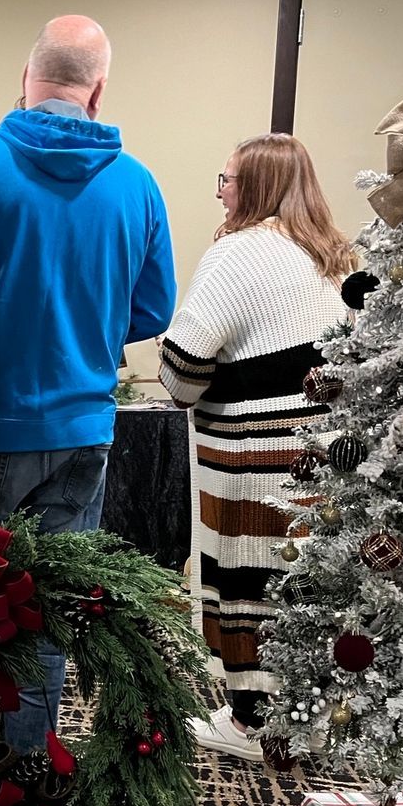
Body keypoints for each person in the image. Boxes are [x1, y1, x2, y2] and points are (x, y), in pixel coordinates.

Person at [0, 15, 175, 751]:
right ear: (96, 91)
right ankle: (26, 763)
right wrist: (84, 325)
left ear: (24, 79)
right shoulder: (137, 185)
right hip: (80, 434)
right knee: (42, 609)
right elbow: (151, 309)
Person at [158, 133, 353, 760]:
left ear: (254, 188)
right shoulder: (336, 257)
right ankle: (309, 717)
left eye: (228, 179)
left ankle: (250, 724)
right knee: (303, 588)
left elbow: (182, 368)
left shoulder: (239, 254)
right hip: (324, 455)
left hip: (251, 457)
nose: (222, 192)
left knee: (247, 583)